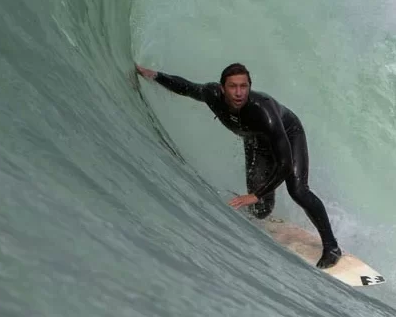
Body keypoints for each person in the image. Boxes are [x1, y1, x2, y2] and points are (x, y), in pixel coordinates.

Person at [136, 62, 343, 269]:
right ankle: (263, 206)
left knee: (298, 190)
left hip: (288, 135)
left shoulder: (263, 111)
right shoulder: (211, 94)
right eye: (232, 86)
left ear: (249, 87)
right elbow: (187, 87)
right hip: (256, 142)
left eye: (243, 86)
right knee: (261, 211)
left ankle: (332, 247)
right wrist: (155, 76)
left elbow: (285, 163)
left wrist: (256, 193)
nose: (238, 93)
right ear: (221, 88)